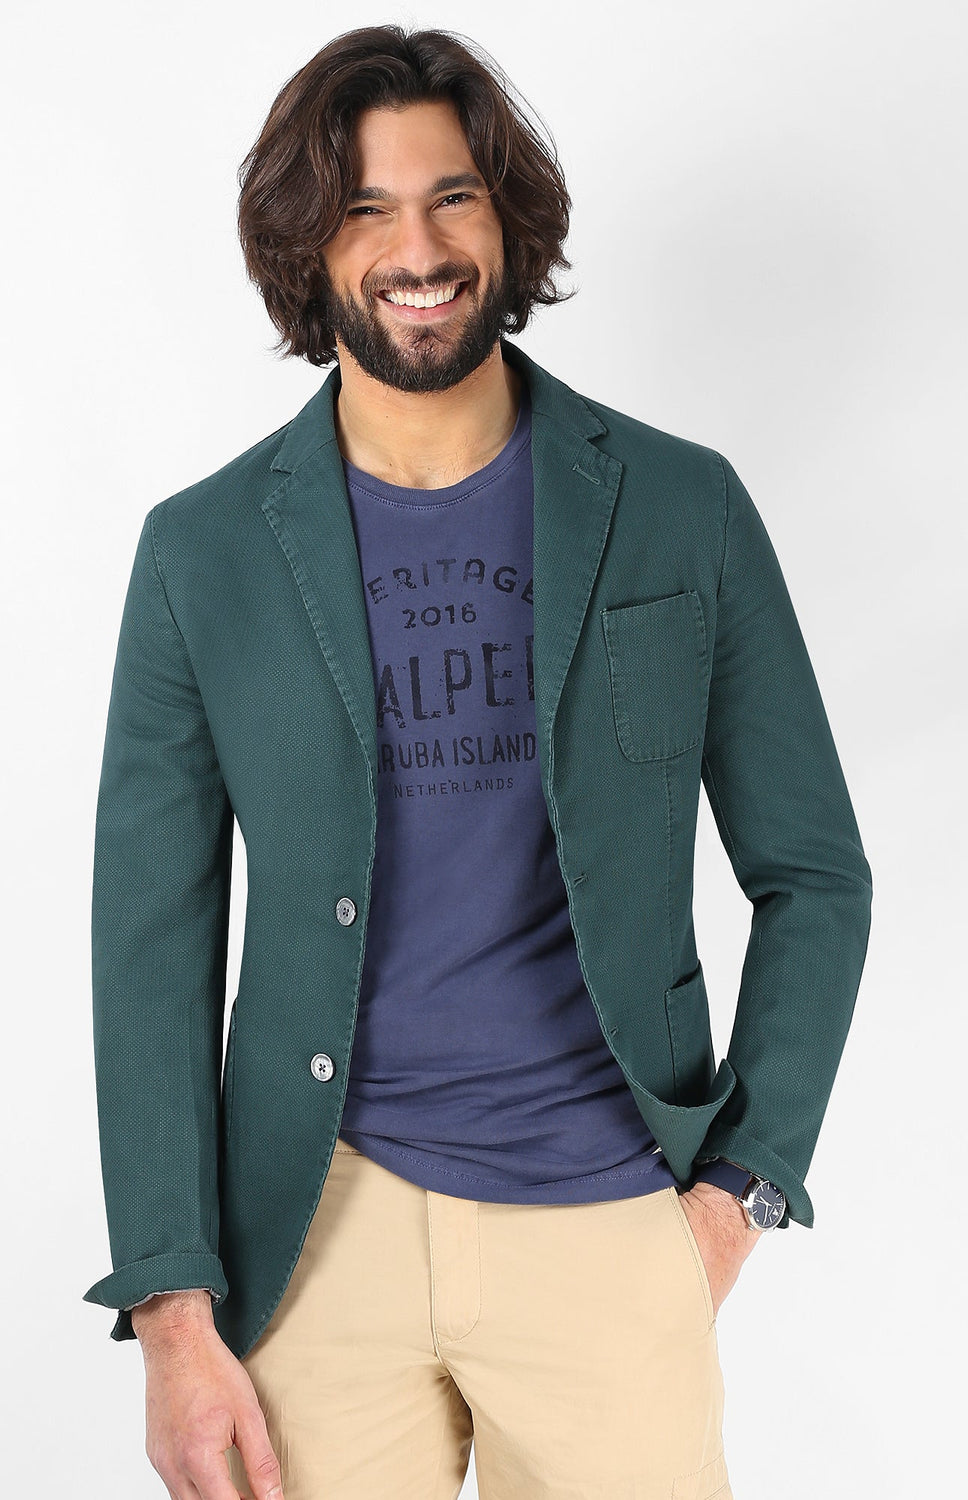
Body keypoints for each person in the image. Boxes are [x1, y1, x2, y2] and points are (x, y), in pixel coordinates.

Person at [82, 23, 873, 1500]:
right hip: (312, 1239)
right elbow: (150, 947)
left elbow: (816, 874)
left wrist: (736, 1197)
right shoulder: (202, 556)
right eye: (364, 208)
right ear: (307, 248)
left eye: (452, 196)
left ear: (507, 217)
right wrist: (171, 1312)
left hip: (609, 1215)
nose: (419, 249)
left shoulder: (680, 506)